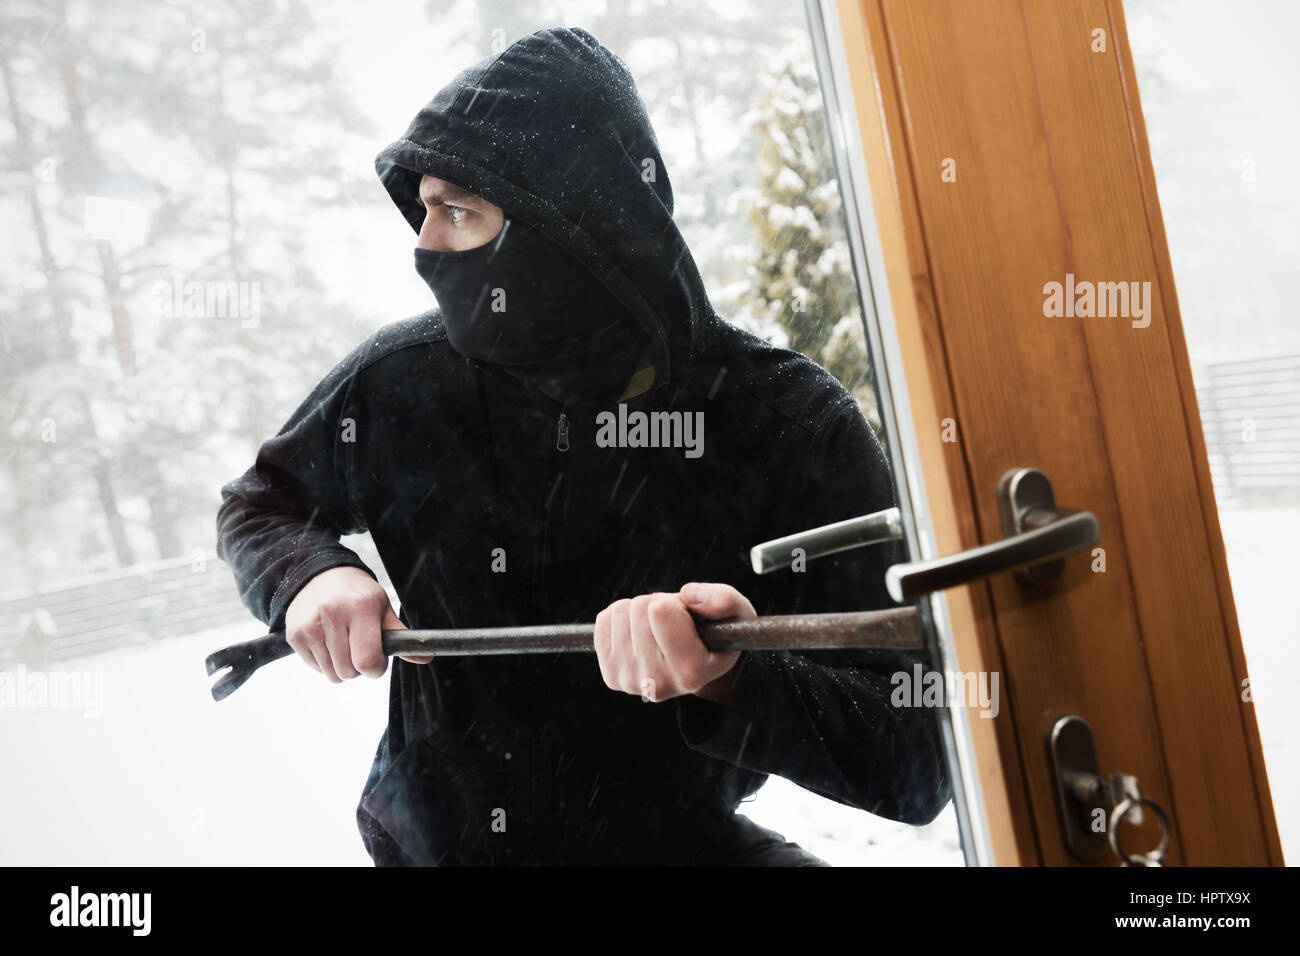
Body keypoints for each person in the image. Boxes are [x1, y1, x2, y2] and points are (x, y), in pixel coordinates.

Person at [216, 26, 950, 866]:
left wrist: (734, 675)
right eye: (423, 208)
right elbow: (257, 504)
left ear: (570, 229)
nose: (423, 245)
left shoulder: (786, 423)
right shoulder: (403, 384)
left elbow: (919, 757)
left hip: (685, 849)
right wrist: (310, 574)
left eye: (458, 209)